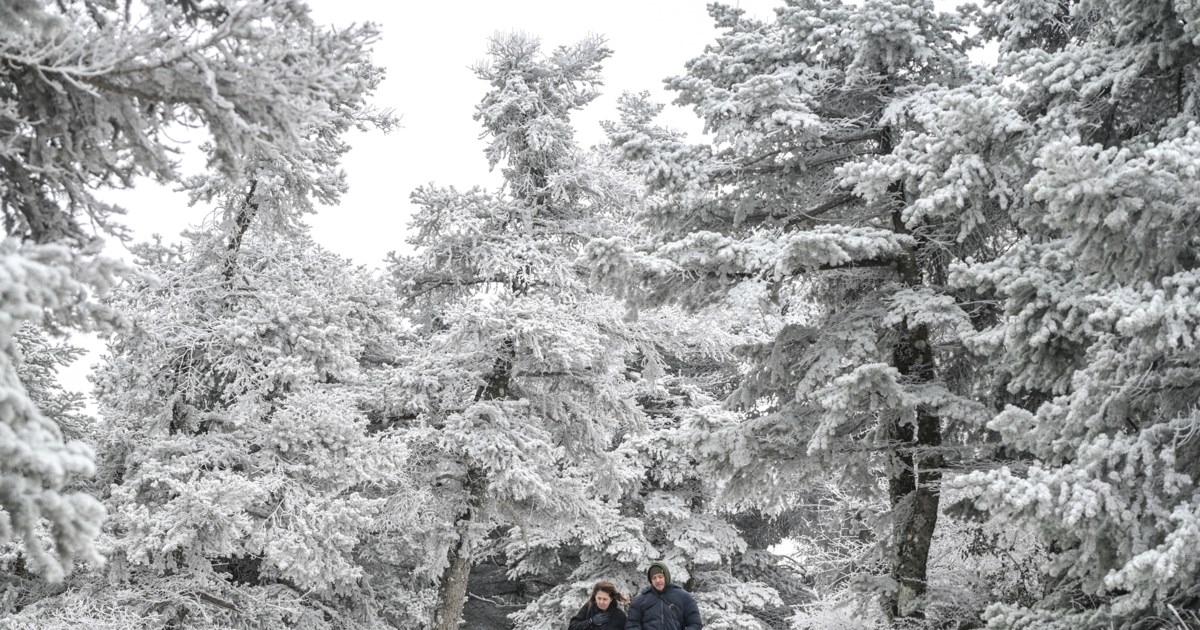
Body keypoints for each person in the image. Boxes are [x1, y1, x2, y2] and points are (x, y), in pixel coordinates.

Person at [625, 561, 702, 630]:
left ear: (666, 577)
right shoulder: (641, 599)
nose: (658, 580)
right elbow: (632, 624)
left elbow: (695, 623)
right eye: (654, 578)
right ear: (651, 580)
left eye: (660, 576)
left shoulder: (683, 596)